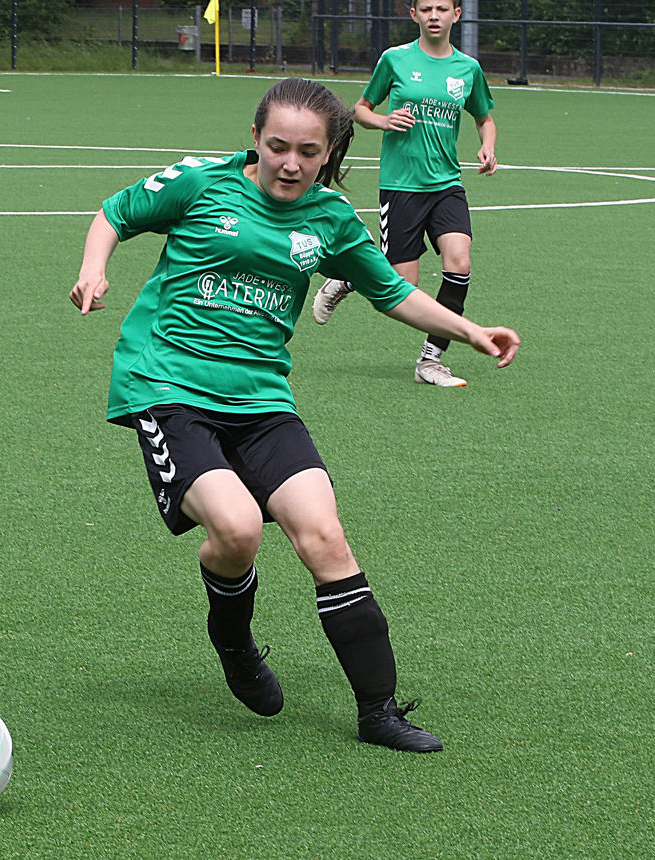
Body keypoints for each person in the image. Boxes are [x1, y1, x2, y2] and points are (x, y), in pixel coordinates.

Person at [70, 78, 518, 752]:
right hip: (167, 386)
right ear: (255, 139)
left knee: (324, 536)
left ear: (331, 150)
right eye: (276, 146)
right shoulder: (201, 182)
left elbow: (392, 291)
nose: (289, 162)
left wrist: (471, 330)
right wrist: (93, 268)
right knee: (240, 527)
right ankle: (234, 643)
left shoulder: (330, 218)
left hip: (262, 400)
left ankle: (379, 713)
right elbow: (115, 212)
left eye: (307, 151)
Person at [311, 0, 496, 388]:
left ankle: (431, 360)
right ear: (413, 15)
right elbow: (360, 109)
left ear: (456, 15)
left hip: (446, 183)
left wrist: (487, 146)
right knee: (403, 284)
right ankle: (347, 280)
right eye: (426, 8)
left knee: (459, 263)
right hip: (401, 186)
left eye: (442, 8)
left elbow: (484, 117)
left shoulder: (468, 68)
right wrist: (382, 120)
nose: (434, 15)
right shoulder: (394, 60)